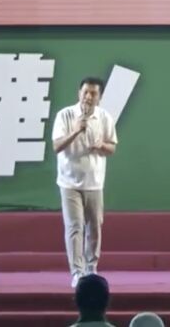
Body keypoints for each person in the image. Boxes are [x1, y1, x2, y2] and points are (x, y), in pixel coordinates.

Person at [52, 77, 119, 287]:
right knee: (74, 227)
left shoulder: (105, 117)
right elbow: (56, 146)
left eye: (93, 93)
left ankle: (91, 268)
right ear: (79, 93)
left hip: (94, 183)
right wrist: (76, 130)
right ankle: (77, 272)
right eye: (85, 92)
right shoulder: (65, 115)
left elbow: (112, 148)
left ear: (99, 97)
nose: (88, 97)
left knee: (94, 227)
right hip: (69, 182)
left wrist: (100, 145)